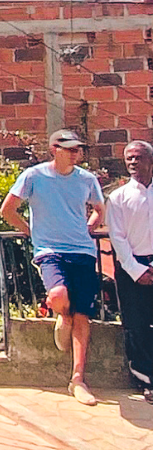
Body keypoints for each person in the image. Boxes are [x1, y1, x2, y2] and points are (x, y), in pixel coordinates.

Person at [0, 129, 106, 406]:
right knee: (58, 295)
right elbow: (7, 209)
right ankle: (63, 316)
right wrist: (29, 231)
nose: (75, 154)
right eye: (69, 149)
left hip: (83, 252)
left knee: (84, 315)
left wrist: (90, 226)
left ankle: (78, 379)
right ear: (54, 149)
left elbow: (99, 209)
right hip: (50, 251)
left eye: (78, 149)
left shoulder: (87, 179)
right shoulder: (34, 176)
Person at [106, 140, 153, 403]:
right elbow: (118, 238)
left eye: (138, 158)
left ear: (150, 161)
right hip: (130, 268)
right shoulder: (118, 197)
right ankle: (147, 380)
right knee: (137, 326)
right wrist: (137, 270)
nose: (133, 163)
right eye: (129, 159)